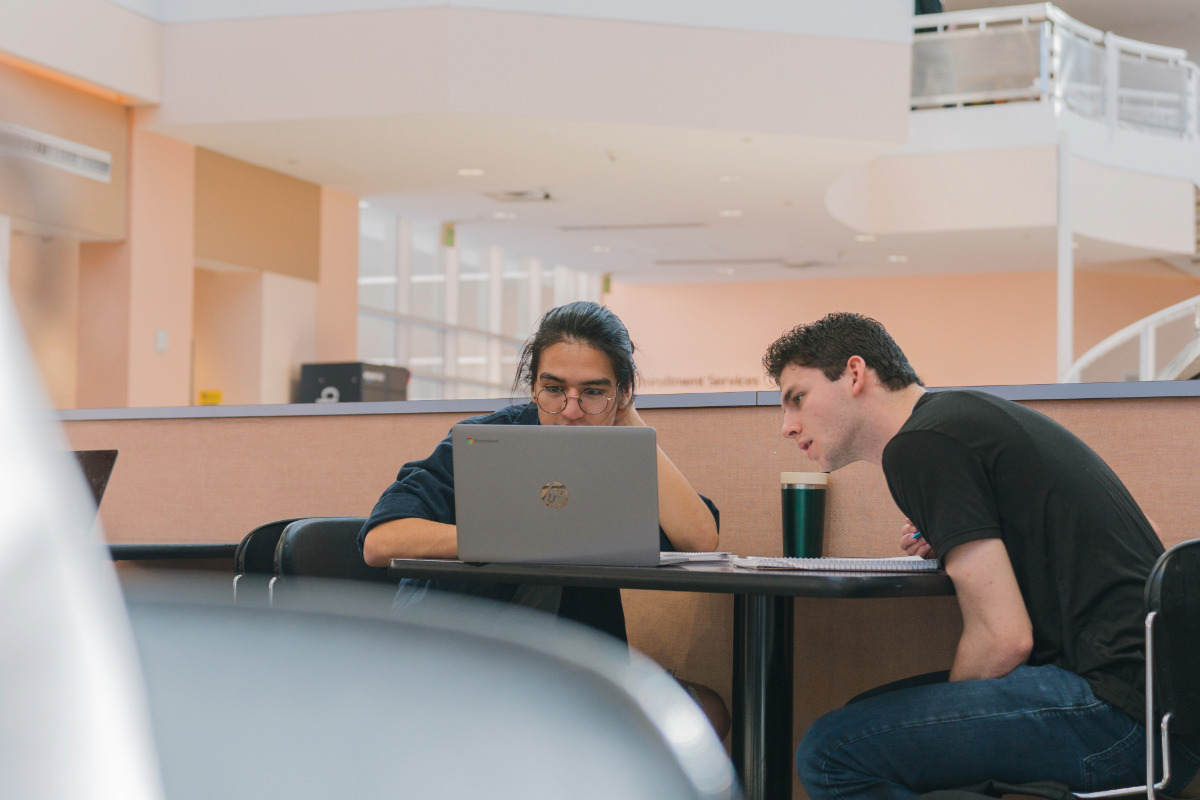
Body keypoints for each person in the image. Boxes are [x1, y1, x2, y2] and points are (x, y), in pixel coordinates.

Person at [761, 312, 1200, 800]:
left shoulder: (919, 446)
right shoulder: (958, 420)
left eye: (797, 398)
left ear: (855, 373)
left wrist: (950, 716)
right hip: (1165, 712)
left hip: (1120, 722)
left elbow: (1004, 638)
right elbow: (1145, 537)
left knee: (831, 751)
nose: (787, 425)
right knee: (861, 716)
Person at [359, 301, 729, 735]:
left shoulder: (613, 459)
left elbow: (699, 538)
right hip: (459, 664)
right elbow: (380, 541)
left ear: (622, 392)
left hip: (573, 670)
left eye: (593, 392)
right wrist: (516, 539)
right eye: (553, 389)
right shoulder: (487, 443)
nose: (570, 410)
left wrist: (626, 419)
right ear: (532, 385)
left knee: (706, 712)